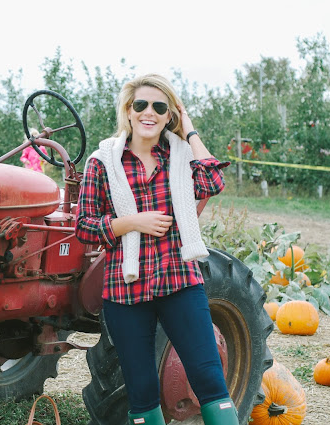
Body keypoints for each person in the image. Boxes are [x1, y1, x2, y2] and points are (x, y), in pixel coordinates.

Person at [75, 74, 235, 425]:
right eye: (141, 105)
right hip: (126, 289)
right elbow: (85, 226)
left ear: (169, 116)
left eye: (159, 107)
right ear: (128, 112)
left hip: (179, 280)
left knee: (209, 377)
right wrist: (133, 222)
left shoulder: (179, 158)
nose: (149, 112)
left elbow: (214, 180)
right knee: (142, 387)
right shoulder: (102, 163)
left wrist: (189, 130)